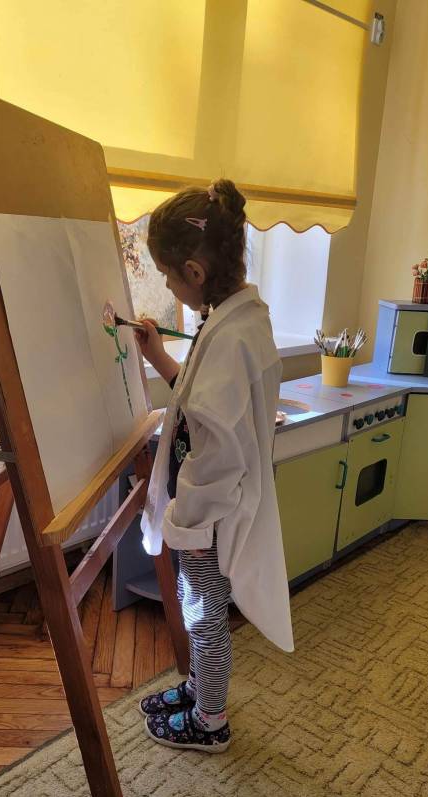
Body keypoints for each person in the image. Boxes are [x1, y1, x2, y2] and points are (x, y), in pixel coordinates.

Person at [136, 178, 294, 753]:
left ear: (194, 273)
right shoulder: (233, 318)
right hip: (208, 507)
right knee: (195, 604)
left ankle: (210, 719)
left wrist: (188, 517)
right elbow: (202, 403)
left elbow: (220, 450)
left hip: (210, 513)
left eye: (167, 274)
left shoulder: (230, 337)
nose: (167, 285)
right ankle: (200, 687)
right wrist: (159, 358)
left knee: (202, 612)